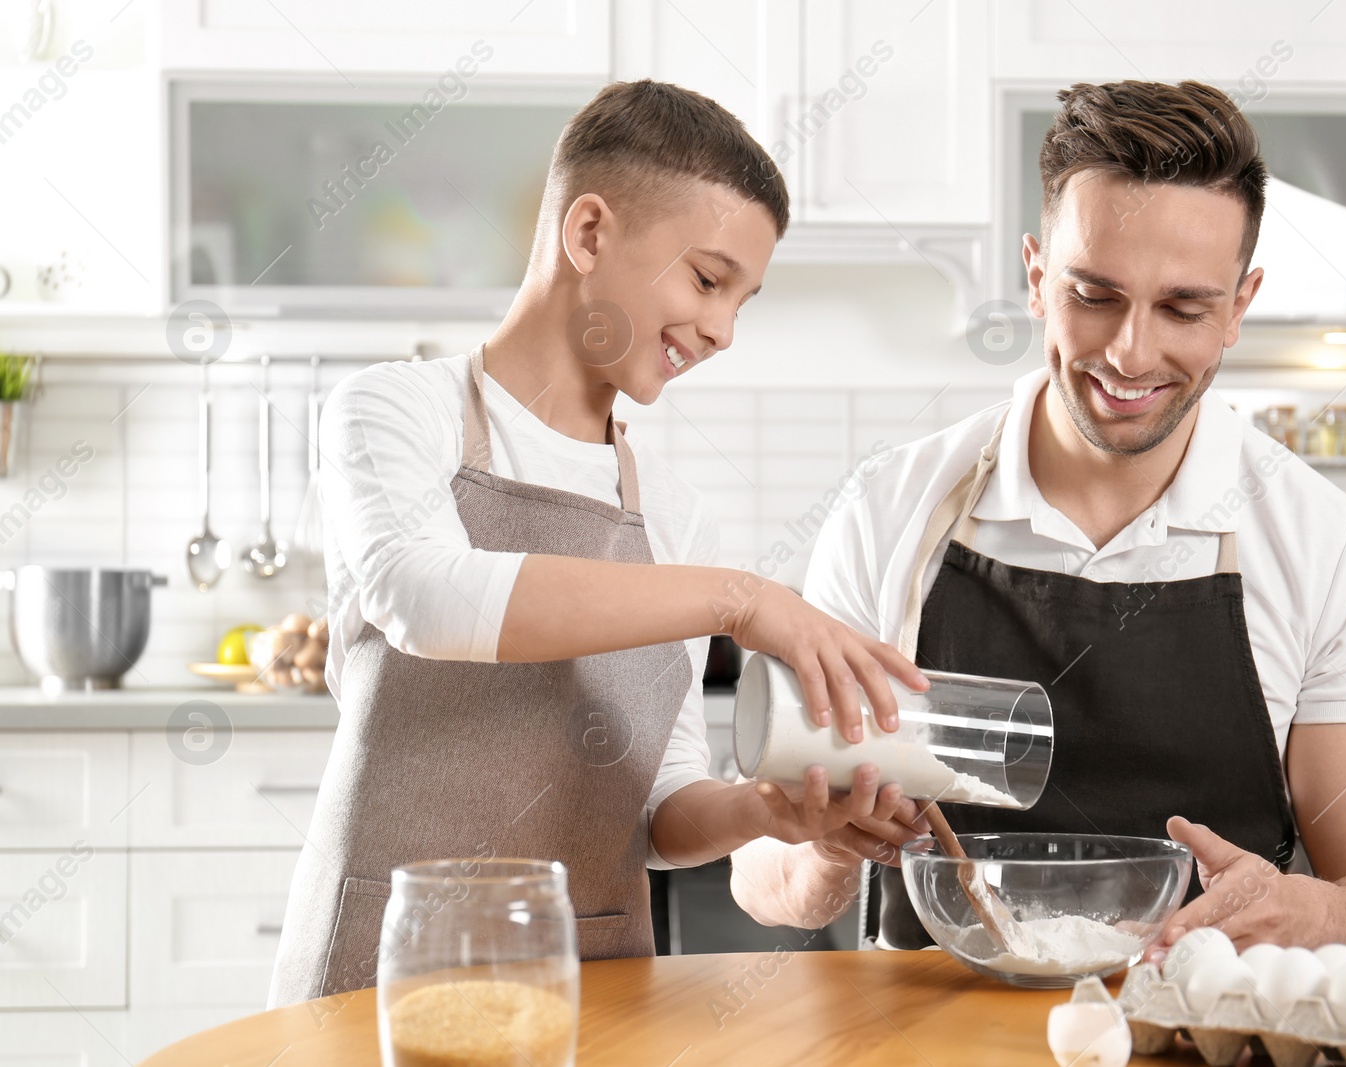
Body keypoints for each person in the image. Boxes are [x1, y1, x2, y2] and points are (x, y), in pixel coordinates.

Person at [731, 80, 1346, 957]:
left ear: (1239, 306)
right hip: (930, 1041)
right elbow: (761, 874)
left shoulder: (1328, 547)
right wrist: (824, 859)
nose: (1130, 353)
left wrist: (1313, 912)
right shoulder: (890, 509)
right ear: (1037, 278)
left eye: (1183, 307)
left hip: (1203, 1037)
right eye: (1095, 295)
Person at [269, 79, 928, 1006]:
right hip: (379, 970)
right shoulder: (392, 410)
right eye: (708, 279)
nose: (723, 330)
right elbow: (424, 596)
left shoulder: (670, 510)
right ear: (588, 234)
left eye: (744, 299)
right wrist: (742, 599)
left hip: (593, 989)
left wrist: (764, 811)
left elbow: (658, 808)